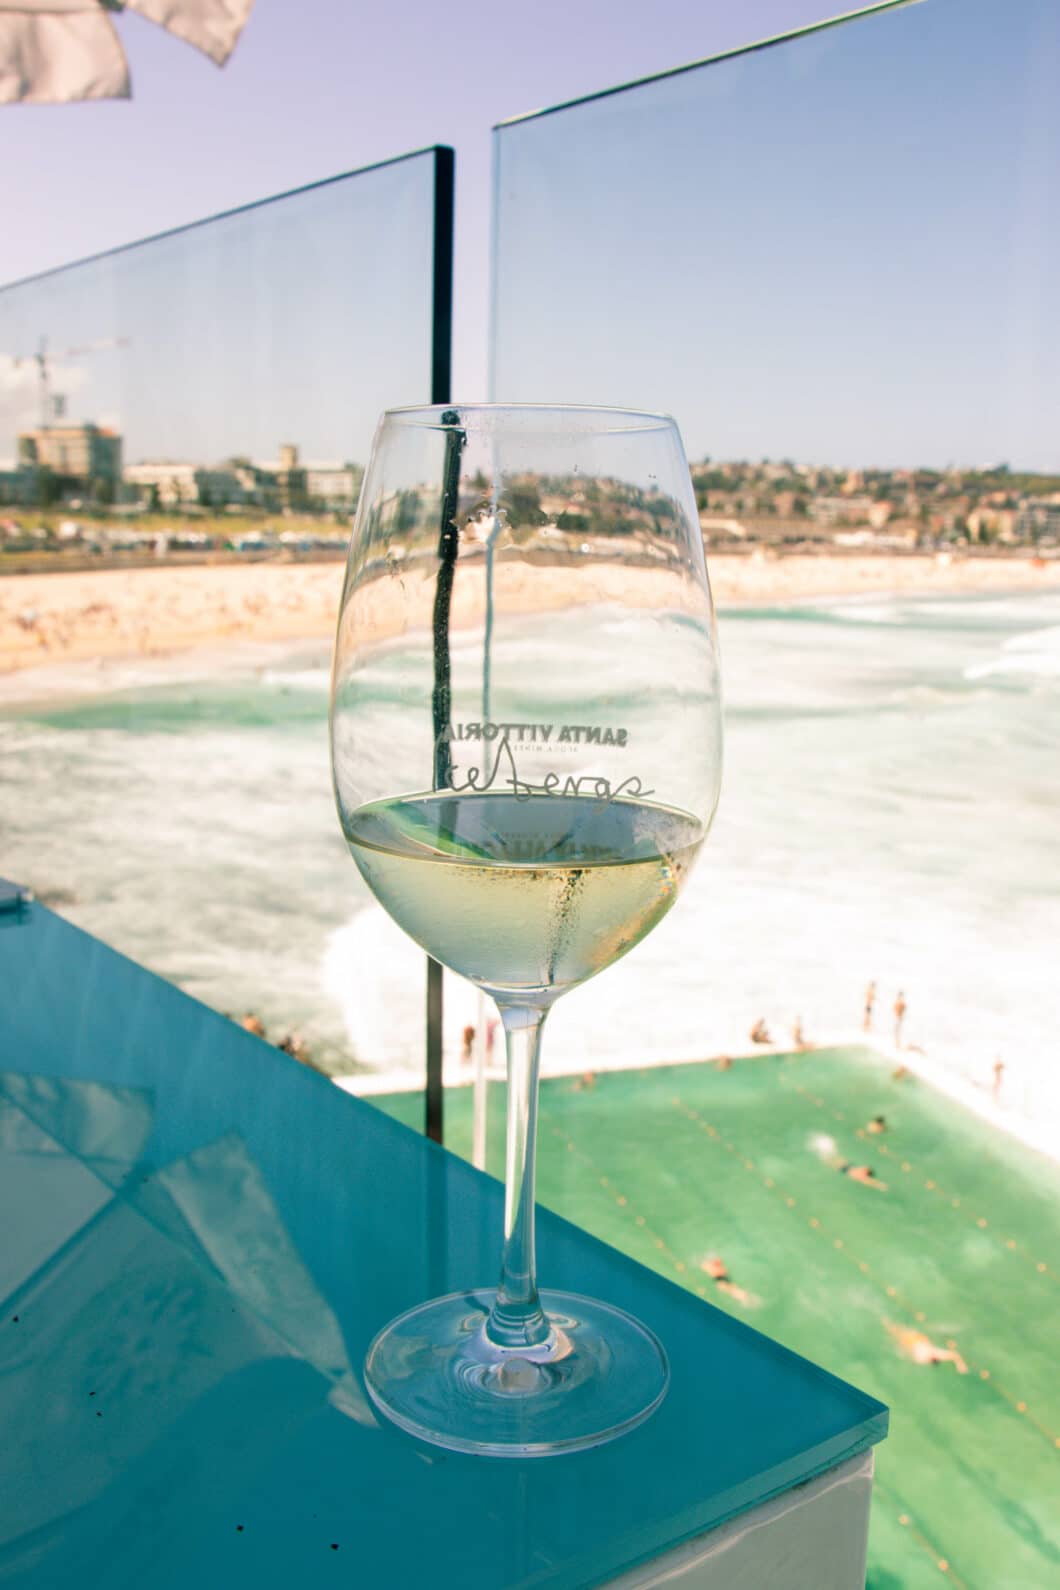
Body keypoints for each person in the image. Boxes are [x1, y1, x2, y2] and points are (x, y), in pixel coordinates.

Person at [885, 1320, 968, 1373]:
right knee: (897, 1332)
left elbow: (954, 1355)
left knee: (896, 1333)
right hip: (916, 1339)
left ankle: (888, 1324)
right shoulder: (937, 1354)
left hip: (914, 1341)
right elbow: (955, 1355)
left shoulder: (924, 1358)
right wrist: (960, 1365)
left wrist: (960, 1364)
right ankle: (888, 1324)